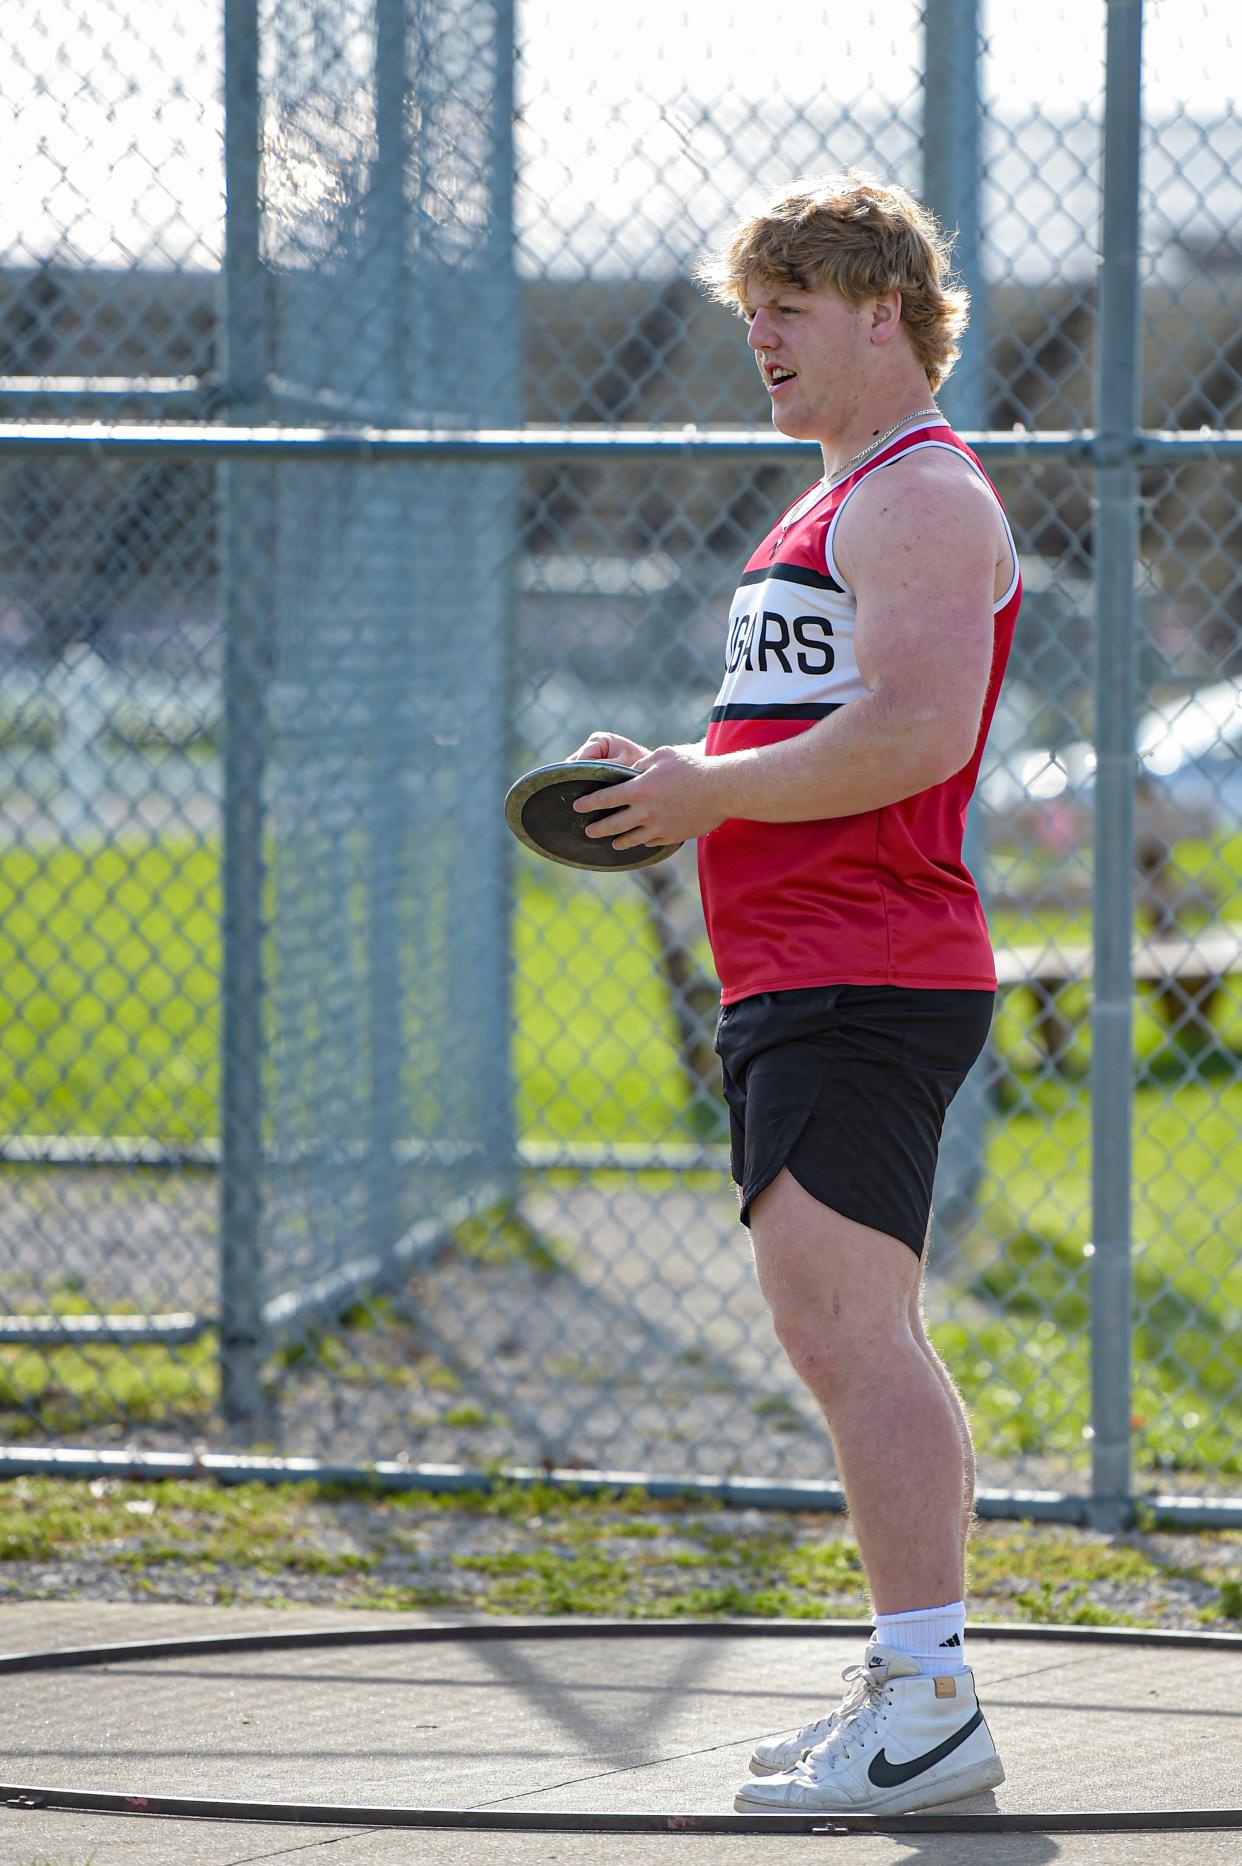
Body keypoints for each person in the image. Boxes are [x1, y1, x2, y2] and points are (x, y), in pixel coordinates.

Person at [567, 171, 1018, 1816]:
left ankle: (926, 1701)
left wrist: (713, 790)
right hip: (805, 970)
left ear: (879, 311)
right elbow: (809, 734)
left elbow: (912, 733)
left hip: (863, 967)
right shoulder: (830, 501)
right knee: (846, 1333)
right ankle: (914, 1679)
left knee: (846, 1333)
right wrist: (677, 777)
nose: (757, 332)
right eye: (750, 304)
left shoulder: (912, 496)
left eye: (792, 303)